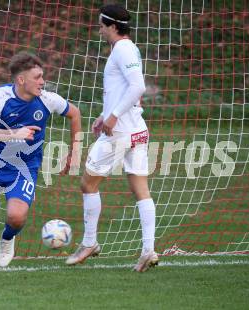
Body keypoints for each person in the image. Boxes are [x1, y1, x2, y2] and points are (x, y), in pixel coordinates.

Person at [0, 51, 81, 280]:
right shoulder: (0, 95)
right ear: (21, 80)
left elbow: (75, 113)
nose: (42, 82)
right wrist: (14, 134)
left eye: (43, 77)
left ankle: (8, 238)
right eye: (37, 77)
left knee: (16, 217)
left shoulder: (48, 100)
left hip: (24, 168)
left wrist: (75, 151)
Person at [66, 4, 158, 272]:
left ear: (113, 26)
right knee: (141, 190)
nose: (100, 30)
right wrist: (105, 114)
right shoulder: (127, 48)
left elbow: (138, 86)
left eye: (102, 25)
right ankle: (148, 250)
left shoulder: (123, 49)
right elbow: (125, 89)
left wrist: (114, 116)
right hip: (136, 128)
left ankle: (90, 242)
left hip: (121, 131)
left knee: (88, 184)